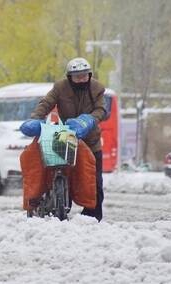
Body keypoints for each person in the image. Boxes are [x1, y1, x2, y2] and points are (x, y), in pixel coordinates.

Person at [20, 57, 107, 221]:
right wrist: (36, 118)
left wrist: (87, 120)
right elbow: (46, 103)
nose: (81, 79)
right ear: (70, 77)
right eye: (77, 76)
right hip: (65, 137)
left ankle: (93, 218)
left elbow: (101, 109)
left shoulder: (97, 88)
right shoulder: (60, 87)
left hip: (90, 140)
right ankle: (50, 200)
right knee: (58, 170)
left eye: (84, 75)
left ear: (89, 75)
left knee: (93, 182)